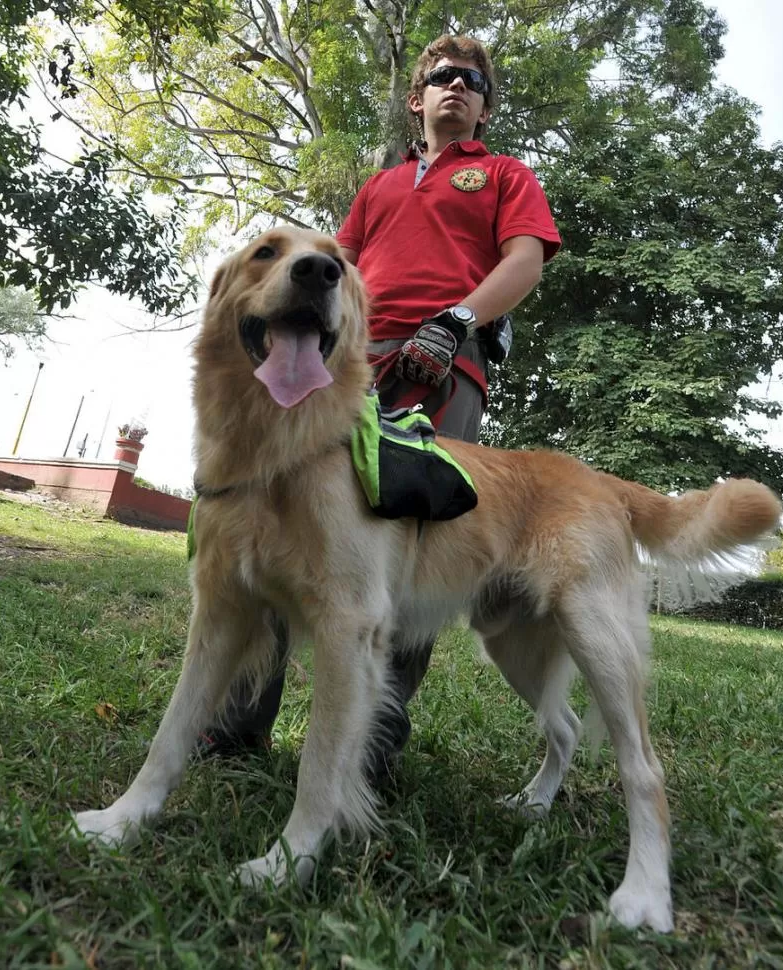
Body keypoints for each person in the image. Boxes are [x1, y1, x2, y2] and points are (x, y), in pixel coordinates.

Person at [199, 34, 561, 774]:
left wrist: (458, 319)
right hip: (341, 366)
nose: (457, 86)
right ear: (417, 97)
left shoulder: (503, 175)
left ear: (485, 107)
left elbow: (524, 260)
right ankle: (236, 724)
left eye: (472, 81)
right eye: (442, 77)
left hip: (447, 366)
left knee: (416, 547)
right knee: (279, 516)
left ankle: (371, 742)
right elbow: (337, 268)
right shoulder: (379, 186)